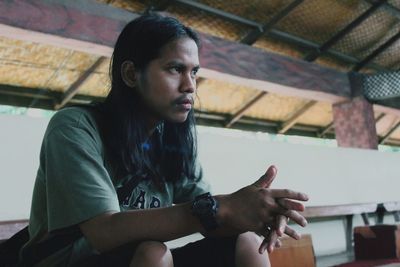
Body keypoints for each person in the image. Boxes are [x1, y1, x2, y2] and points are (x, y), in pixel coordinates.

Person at [19, 13, 309, 267]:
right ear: (132, 74)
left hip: (140, 259)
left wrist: (256, 213)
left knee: (244, 242)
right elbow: (103, 231)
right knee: (153, 253)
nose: (190, 85)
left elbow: (208, 218)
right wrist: (222, 207)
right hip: (69, 261)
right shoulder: (75, 127)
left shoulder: (171, 138)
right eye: (175, 69)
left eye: (194, 72)